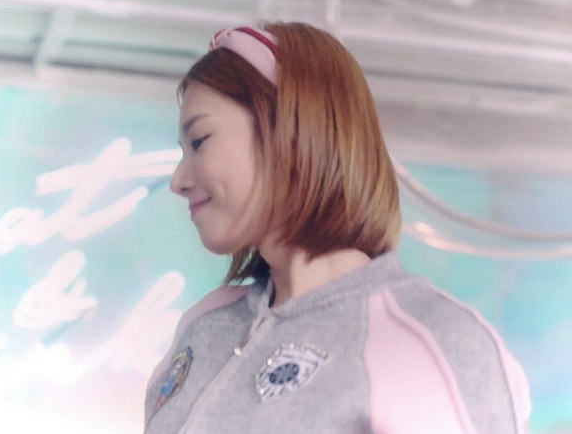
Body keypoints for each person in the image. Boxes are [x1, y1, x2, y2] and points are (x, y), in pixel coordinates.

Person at [143, 22, 531, 433]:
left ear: (291, 128)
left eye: (200, 140)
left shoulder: (433, 340)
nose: (178, 180)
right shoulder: (204, 326)